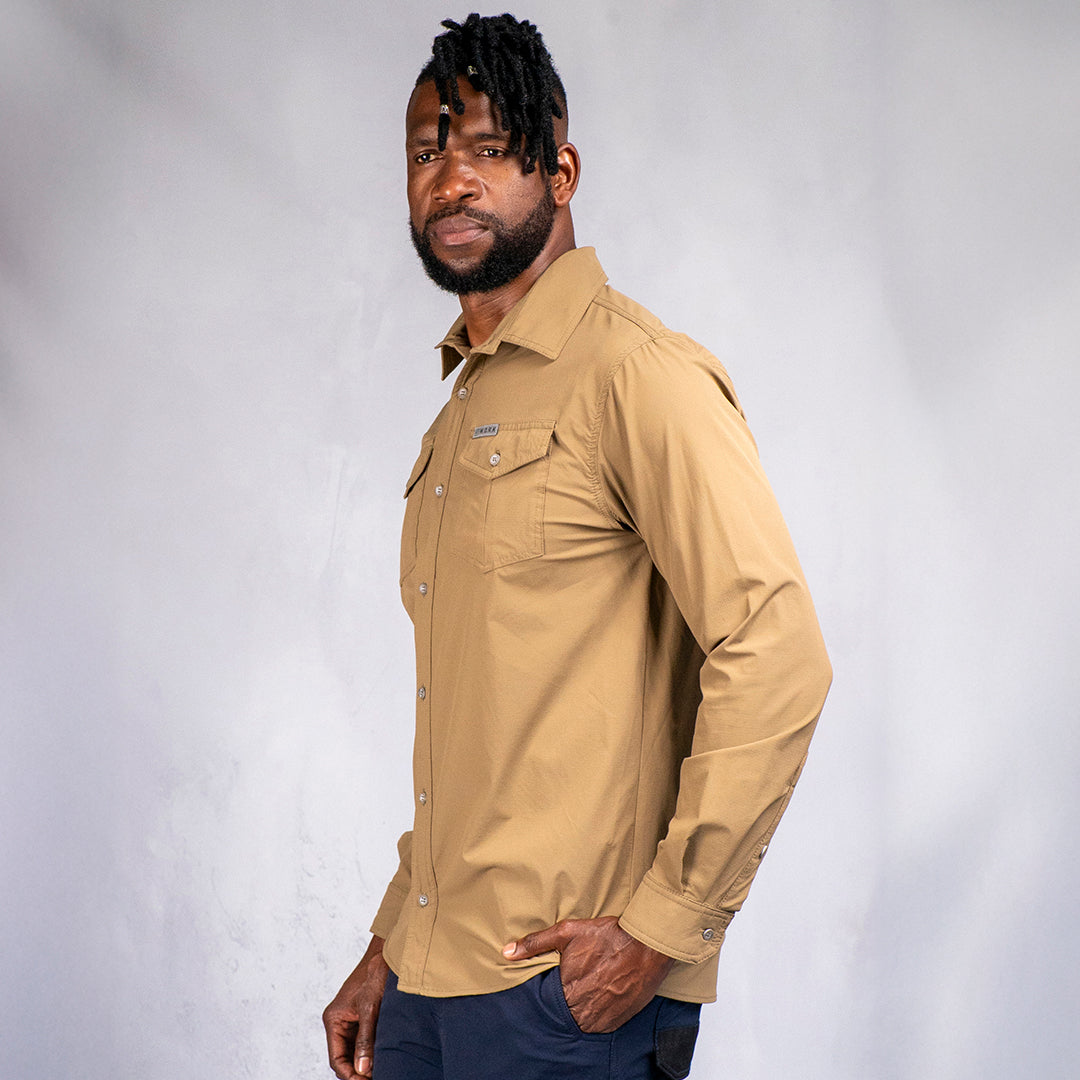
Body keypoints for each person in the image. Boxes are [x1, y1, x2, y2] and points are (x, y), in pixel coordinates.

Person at [323, 13, 832, 1080]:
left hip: (563, 1000)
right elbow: (477, 730)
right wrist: (390, 945)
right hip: (428, 989)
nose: (451, 180)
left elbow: (776, 654)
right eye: (426, 154)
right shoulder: (460, 415)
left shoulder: (636, 375)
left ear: (560, 174)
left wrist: (661, 930)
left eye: (489, 148)